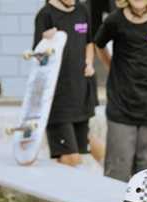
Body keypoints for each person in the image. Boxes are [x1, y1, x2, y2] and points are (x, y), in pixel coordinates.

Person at [94, 0, 147, 181]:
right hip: (122, 104)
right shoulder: (114, 20)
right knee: (117, 168)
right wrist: (113, 66)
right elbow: (99, 45)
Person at [33, 0, 100, 167]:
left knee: (81, 154)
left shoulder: (82, 10)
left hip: (81, 93)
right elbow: (38, 59)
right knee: (70, 158)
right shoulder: (45, 15)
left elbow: (89, 42)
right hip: (58, 99)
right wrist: (45, 41)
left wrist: (89, 62)